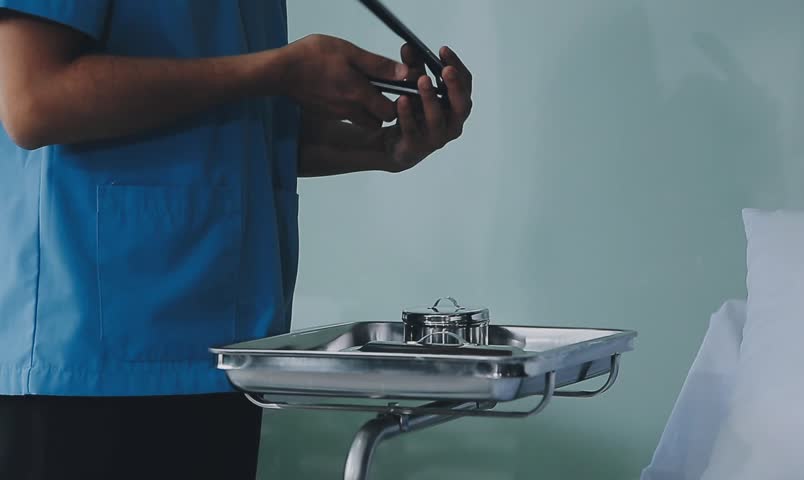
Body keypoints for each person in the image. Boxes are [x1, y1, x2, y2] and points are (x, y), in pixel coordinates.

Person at [0, 1, 473, 479]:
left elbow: (234, 133)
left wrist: (384, 146)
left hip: (227, 354)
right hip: (87, 363)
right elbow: (32, 98)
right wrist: (274, 72)